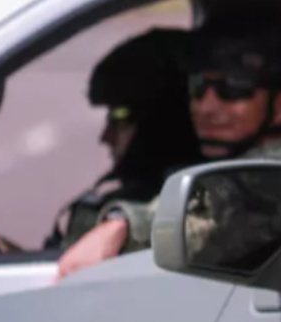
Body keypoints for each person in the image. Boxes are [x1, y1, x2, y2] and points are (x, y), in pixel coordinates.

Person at [54, 23, 281, 280]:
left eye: (232, 89)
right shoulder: (252, 159)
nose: (205, 107)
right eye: (198, 87)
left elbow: (228, 211)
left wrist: (123, 228)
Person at [43, 27, 202, 251]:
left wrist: (121, 229)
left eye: (120, 118)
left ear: (163, 122)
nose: (105, 137)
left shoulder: (174, 218)